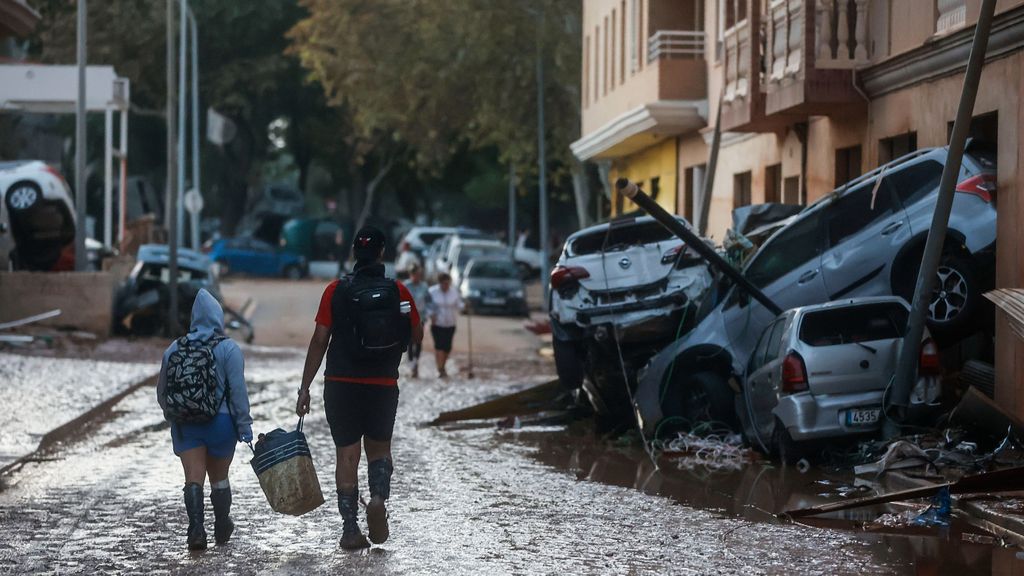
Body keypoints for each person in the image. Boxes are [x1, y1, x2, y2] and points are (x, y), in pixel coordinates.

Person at [296, 226, 424, 550]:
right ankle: (378, 497)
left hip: (340, 385)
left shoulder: (335, 290)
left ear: (354, 253)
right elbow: (417, 335)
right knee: (379, 450)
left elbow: (319, 340)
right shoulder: (399, 292)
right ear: (382, 253)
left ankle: (350, 529)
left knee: (346, 456)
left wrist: (304, 388)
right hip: (382, 385)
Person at [157, 288, 253, 551]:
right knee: (219, 477)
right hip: (221, 425)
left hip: (187, 425)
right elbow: (238, 394)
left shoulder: (175, 348)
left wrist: (173, 415)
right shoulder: (229, 349)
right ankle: (222, 523)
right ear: (218, 318)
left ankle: (196, 529)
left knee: (193, 477)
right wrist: (244, 428)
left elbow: (162, 390)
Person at [428, 272, 463, 379]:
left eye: (448, 283)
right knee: (439, 347)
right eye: (444, 283)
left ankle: (442, 366)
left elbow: (459, 305)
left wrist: (465, 306)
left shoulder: (454, 292)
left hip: (450, 324)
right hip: (437, 324)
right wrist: (431, 315)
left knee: (447, 348)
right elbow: (427, 306)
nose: (446, 286)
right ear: (440, 283)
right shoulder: (432, 292)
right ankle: (440, 369)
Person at [404, 263, 431, 378]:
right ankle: (411, 364)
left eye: (419, 275)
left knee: (418, 340)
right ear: (411, 275)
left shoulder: (424, 286)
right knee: (409, 342)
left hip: (421, 317)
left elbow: (429, 301)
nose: (417, 277)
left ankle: (416, 362)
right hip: (407, 318)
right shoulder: (406, 286)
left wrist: (430, 313)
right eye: (415, 274)